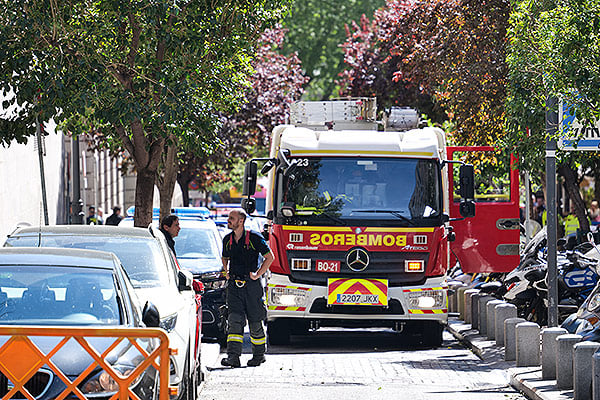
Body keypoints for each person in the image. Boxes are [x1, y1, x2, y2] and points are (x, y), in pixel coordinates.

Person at [220, 209, 274, 368]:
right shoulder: (228, 240)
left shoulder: (254, 238)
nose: (229, 220)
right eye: (229, 218)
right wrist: (226, 271)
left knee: (255, 321)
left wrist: (258, 274)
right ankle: (233, 357)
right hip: (235, 287)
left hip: (251, 286)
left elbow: (269, 257)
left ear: (241, 221)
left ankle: (258, 355)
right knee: (234, 321)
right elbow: (224, 257)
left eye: (232, 218)